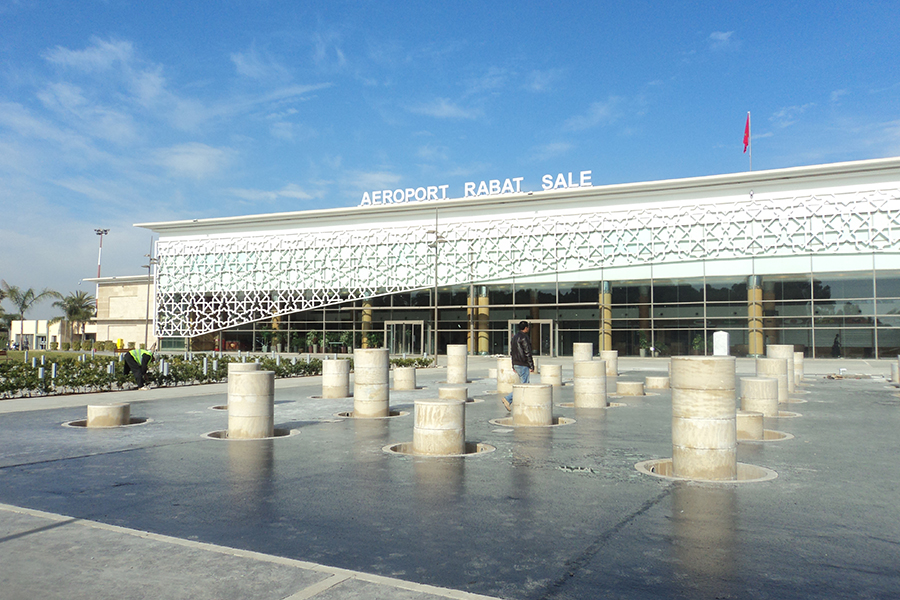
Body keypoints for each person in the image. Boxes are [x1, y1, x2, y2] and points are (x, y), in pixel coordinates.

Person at [503, 320, 534, 411]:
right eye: (528, 327)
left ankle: (522, 402)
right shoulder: (524, 338)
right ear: (526, 328)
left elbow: (512, 352)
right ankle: (508, 399)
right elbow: (527, 352)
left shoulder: (515, 337)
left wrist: (513, 365)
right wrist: (531, 365)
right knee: (524, 385)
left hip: (516, 363)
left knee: (524, 384)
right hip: (523, 363)